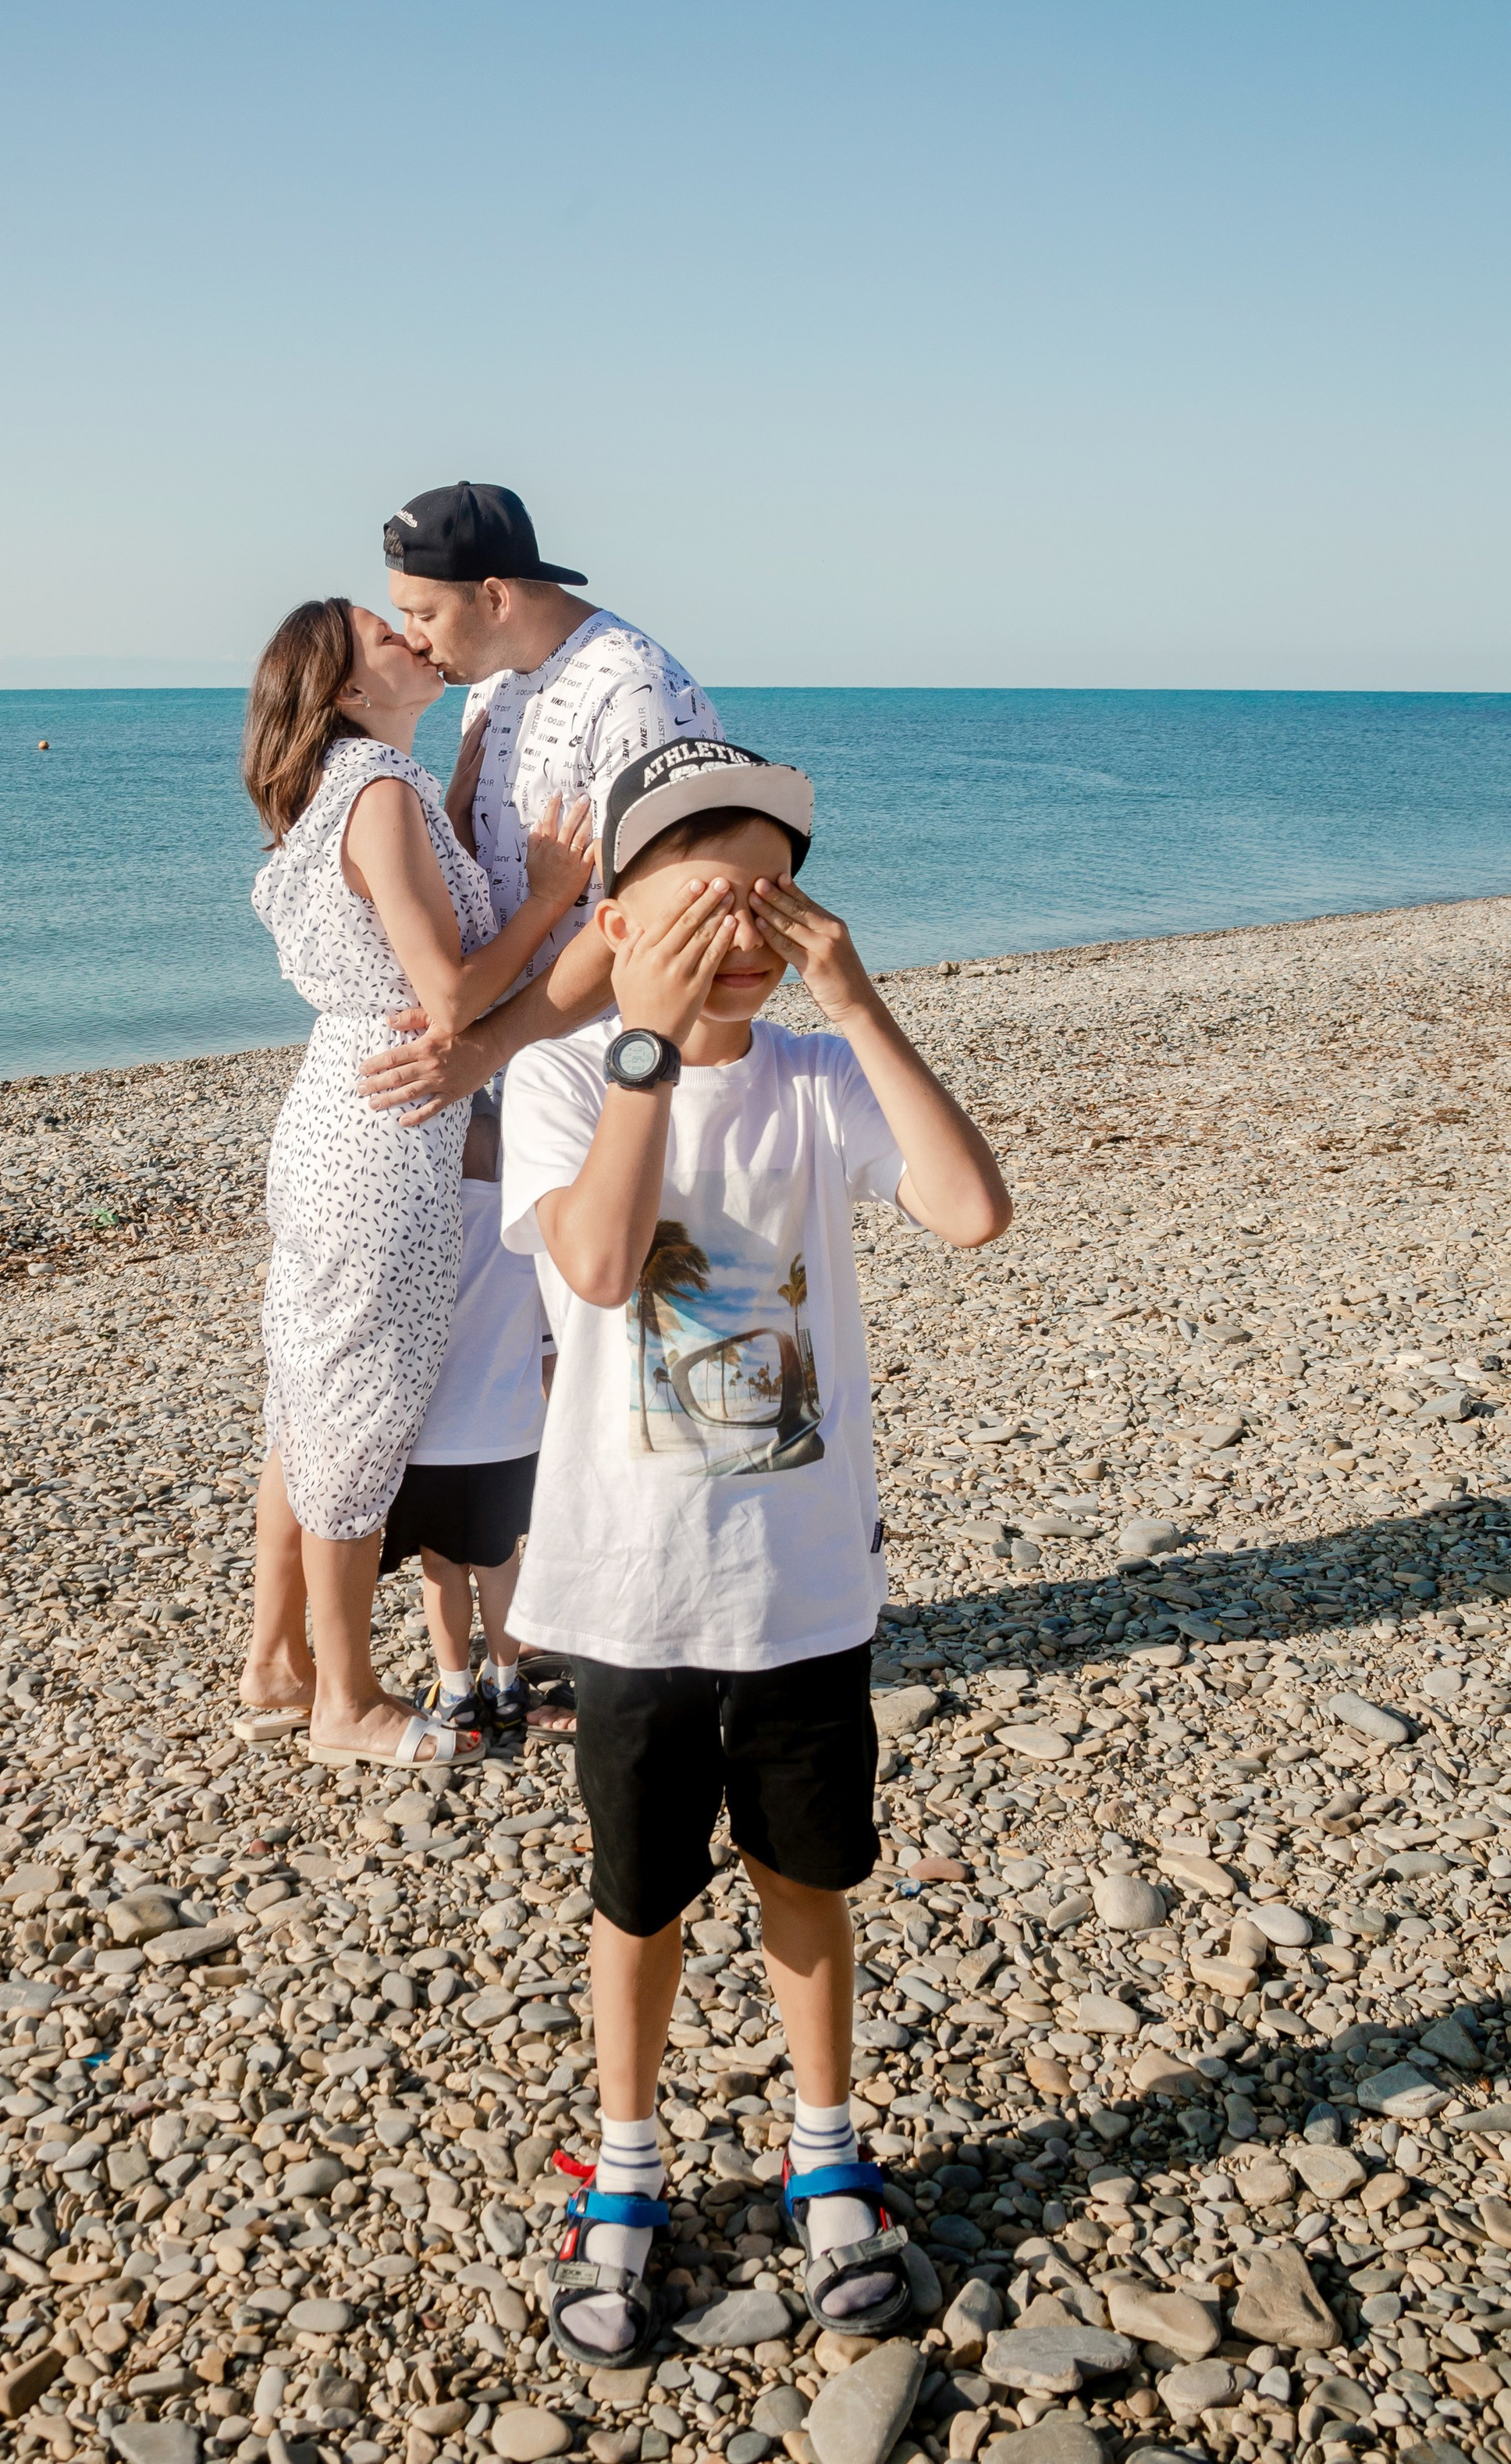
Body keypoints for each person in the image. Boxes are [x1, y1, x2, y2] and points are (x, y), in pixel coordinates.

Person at [496, 738, 1012, 2363]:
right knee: (634, 1895)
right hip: (626, 1588)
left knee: (808, 1873)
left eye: (764, 892)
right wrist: (640, 1032)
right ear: (619, 908)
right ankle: (627, 2163)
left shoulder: (812, 1079)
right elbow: (590, 1260)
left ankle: (822, 2144)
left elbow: (968, 1211)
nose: (735, 929)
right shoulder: (567, 1078)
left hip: (796, 1586)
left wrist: (855, 1004)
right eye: (695, 892)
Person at [236, 594, 594, 1772]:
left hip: (333, 1112)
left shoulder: (351, 789)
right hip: (389, 1134)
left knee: (307, 1398)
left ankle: (275, 1664)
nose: (413, 637)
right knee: (350, 1417)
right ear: (347, 689)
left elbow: (409, 898)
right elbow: (449, 998)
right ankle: (346, 1702)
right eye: (386, 635)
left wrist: (462, 769)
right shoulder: (376, 795)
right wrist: (548, 895)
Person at [359, 481, 722, 1127]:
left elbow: (650, 921)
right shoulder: (489, 685)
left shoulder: (638, 694)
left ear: (495, 596)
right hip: (511, 1072)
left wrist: (490, 1042)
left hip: (617, 1075)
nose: (411, 639)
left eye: (426, 614)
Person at [374, 1094, 573, 1740]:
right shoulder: (528, 1231)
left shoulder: (426, 1226)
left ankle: (458, 1691)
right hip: (511, 1432)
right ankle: (509, 1686)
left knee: (442, 1568)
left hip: (435, 1437)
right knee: (501, 1562)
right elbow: (550, 1347)